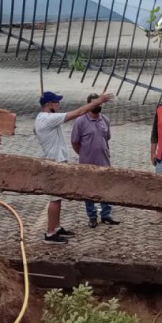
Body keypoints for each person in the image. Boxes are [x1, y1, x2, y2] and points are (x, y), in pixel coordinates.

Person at [34, 89, 113, 243]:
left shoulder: (43, 118)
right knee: (55, 199)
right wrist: (98, 101)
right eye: (56, 102)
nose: (59, 105)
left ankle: (56, 227)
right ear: (49, 105)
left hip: (57, 161)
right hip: (54, 162)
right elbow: (78, 112)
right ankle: (50, 233)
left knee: (58, 198)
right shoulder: (48, 119)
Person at [71, 93, 119, 229]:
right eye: (94, 103)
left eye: (99, 103)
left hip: (104, 161)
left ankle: (106, 215)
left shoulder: (105, 120)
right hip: (87, 162)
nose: (98, 105)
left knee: (106, 189)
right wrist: (83, 154)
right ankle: (92, 217)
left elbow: (107, 138)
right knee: (89, 191)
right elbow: (75, 142)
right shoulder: (80, 121)